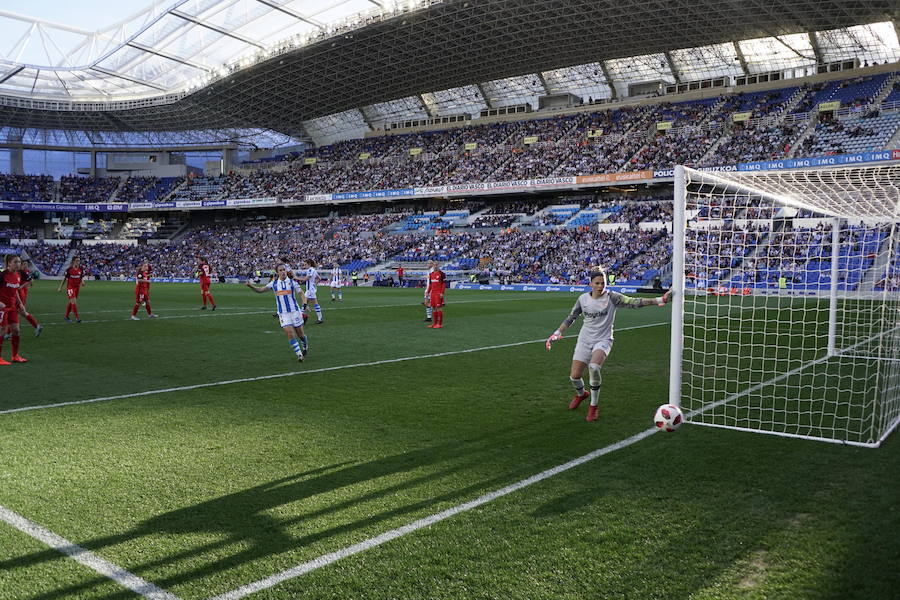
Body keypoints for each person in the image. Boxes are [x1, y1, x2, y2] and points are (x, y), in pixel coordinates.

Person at [545, 266, 671, 422]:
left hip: (603, 340)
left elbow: (634, 302)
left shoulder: (612, 297)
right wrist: (557, 333)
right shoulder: (582, 299)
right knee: (574, 376)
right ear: (590, 283)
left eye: (602, 283)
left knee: (594, 367)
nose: (600, 286)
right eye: (597, 283)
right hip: (585, 340)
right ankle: (581, 394)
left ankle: (593, 406)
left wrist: (660, 300)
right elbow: (571, 317)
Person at [246, 264, 308, 362]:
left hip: (295, 311)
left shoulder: (292, 282)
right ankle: (299, 354)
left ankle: (305, 346)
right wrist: (250, 286)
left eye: (284, 269)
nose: (283, 271)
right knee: (290, 334)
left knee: (300, 335)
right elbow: (261, 290)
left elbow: (301, 294)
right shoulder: (274, 284)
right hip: (283, 314)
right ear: (277, 272)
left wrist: (304, 304)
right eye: (280, 270)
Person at [0, 254, 27, 364]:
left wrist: (20, 304)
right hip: (2, 308)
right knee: (2, 331)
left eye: (19, 262)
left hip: (12, 307)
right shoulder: (2, 275)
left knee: (16, 330)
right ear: (9, 263)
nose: (18, 264)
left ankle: (15, 356)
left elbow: (15, 290)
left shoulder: (18, 275)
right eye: (15, 262)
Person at [17, 259, 42, 337]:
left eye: (25, 264)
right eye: (24, 264)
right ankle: (37, 326)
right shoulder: (18, 272)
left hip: (19, 294)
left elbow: (30, 280)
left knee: (18, 312)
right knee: (19, 312)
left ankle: (11, 332)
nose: (25, 265)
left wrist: (21, 286)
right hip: (17, 293)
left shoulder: (22, 272)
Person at [294, 259, 324, 324]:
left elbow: (306, 279)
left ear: (309, 264)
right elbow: (319, 278)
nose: (305, 266)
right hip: (310, 289)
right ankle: (318, 318)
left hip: (310, 290)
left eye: (305, 264)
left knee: (306, 303)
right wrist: (314, 284)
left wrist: (296, 278)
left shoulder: (310, 270)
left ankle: (303, 318)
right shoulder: (313, 270)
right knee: (305, 303)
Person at [58, 256, 86, 323]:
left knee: (71, 302)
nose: (78, 262)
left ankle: (66, 316)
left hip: (77, 288)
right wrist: (60, 287)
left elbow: (81, 277)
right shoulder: (69, 269)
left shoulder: (81, 269)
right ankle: (77, 318)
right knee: (73, 302)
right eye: (76, 260)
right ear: (73, 261)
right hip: (70, 287)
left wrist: (83, 282)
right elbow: (65, 279)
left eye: (78, 261)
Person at [426, 262, 447, 329]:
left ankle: (440, 324)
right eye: (434, 265)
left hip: (438, 293)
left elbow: (443, 284)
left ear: (438, 266)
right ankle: (434, 323)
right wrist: (428, 292)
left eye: (436, 265)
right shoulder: (431, 274)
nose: (435, 266)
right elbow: (431, 284)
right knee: (434, 308)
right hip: (433, 294)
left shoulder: (442, 274)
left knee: (439, 308)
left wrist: (442, 293)